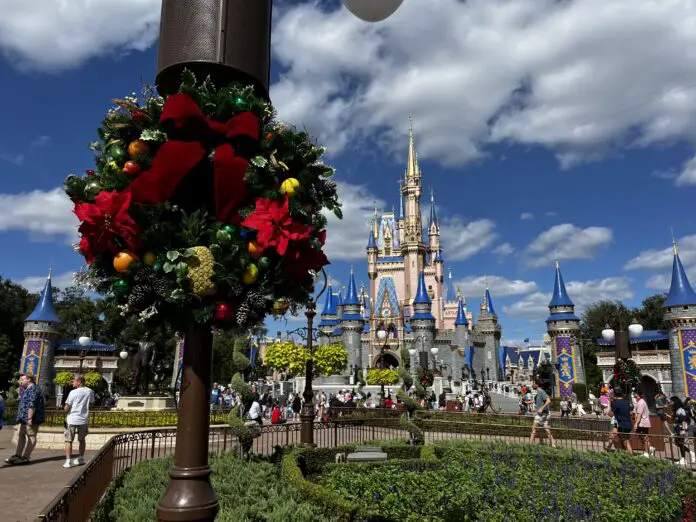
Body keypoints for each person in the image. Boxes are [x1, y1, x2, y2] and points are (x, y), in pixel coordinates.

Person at [5, 372, 45, 465]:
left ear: (29, 379)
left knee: (31, 436)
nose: (21, 382)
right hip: (24, 418)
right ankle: (18, 455)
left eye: (22, 379)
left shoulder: (33, 389)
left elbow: (32, 405)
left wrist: (30, 418)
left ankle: (25, 457)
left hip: (31, 418)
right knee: (21, 435)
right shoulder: (28, 389)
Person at [63, 373, 95, 468]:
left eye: (73, 380)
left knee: (68, 440)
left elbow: (67, 407)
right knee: (82, 440)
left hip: (72, 419)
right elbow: (92, 403)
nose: (72, 382)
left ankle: (68, 461)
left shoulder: (73, 392)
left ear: (79, 382)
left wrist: (65, 410)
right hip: (83, 420)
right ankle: (81, 458)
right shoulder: (90, 391)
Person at [529, 380, 556, 448]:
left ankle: (530, 445)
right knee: (546, 428)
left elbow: (548, 400)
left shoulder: (541, 392)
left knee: (534, 428)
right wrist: (526, 402)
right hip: (543, 414)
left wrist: (541, 408)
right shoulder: (538, 393)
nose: (533, 385)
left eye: (534, 383)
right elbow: (534, 401)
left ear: (537, 385)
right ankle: (553, 443)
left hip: (541, 414)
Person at [609, 387, 633, 454]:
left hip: (622, 425)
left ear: (615, 394)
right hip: (627, 423)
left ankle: (631, 458)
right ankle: (619, 453)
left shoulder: (615, 403)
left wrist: (610, 405)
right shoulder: (626, 402)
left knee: (626, 442)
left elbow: (610, 414)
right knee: (614, 437)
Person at [632, 389, 653, 458]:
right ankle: (650, 449)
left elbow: (639, 414)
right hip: (641, 422)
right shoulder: (639, 402)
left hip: (643, 422)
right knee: (642, 436)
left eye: (635, 394)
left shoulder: (641, 402)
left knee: (644, 437)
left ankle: (647, 452)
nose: (634, 395)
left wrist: (635, 424)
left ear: (638, 394)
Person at [670, 396, 690, 466]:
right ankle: (688, 454)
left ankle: (684, 459)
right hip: (677, 429)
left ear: (675, 402)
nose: (670, 402)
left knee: (681, 443)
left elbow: (684, 420)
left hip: (681, 429)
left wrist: (683, 430)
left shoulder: (681, 410)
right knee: (677, 443)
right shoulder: (676, 410)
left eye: (672, 401)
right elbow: (676, 420)